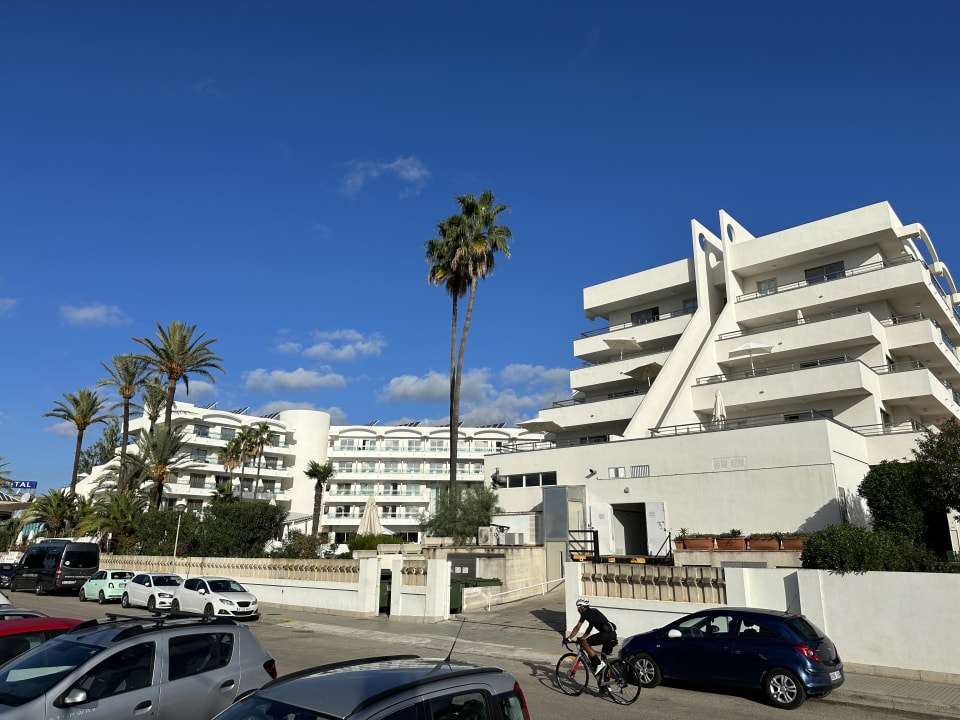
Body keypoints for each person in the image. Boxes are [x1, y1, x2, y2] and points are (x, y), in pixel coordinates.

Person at [567, 598, 617, 677]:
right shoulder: (594, 611)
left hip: (604, 635)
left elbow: (577, 627)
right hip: (613, 635)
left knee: (584, 643)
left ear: (582, 607)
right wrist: (583, 637)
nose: (578, 610)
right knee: (604, 661)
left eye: (578, 608)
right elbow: (590, 627)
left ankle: (597, 663)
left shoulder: (585, 613)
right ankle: (605, 686)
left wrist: (569, 638)